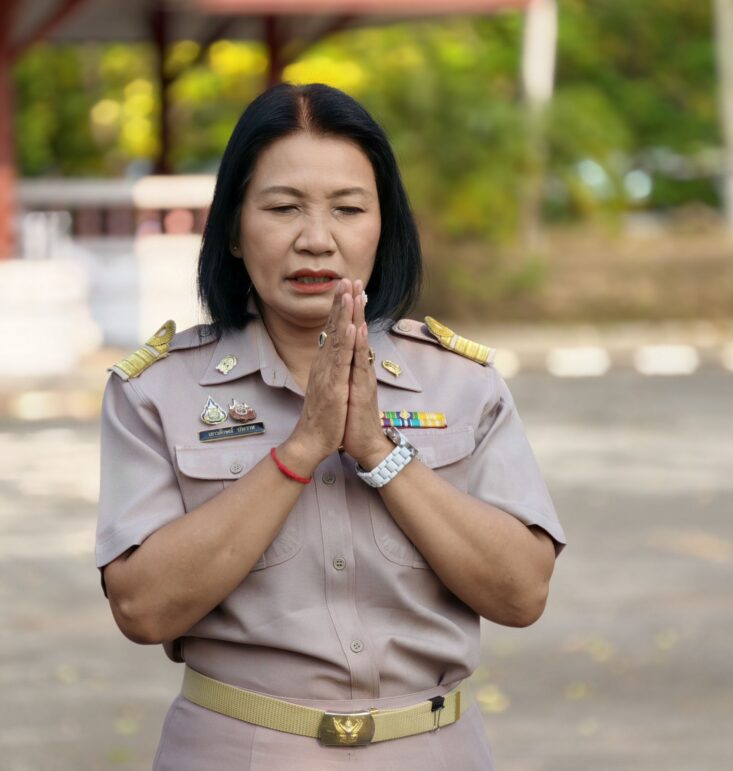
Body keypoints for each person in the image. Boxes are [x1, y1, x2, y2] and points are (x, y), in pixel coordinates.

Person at [96, 82, 566, 770]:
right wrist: (302, 448)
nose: (316, 240)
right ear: (233, 229)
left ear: (384, 226)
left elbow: (523, 594)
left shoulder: (463, 383)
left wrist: (377, 450)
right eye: (282, 207)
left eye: (348, 208)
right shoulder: (156, 390)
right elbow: (141, 609)